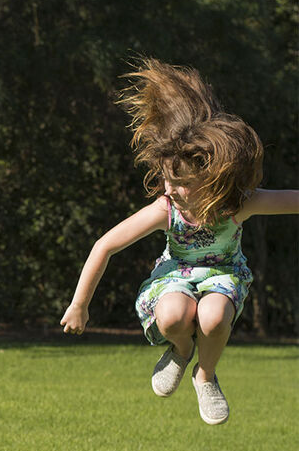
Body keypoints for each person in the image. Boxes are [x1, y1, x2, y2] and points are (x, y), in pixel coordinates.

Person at [60, 58, 298, 425]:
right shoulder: (165, 209)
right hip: (176, 275)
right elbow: (104, 246)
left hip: (223, 273)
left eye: (181, 181)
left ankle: (205, 376)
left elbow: (293, 200)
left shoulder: (239, 204)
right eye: (167, 178)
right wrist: (79, 305)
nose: (171, 188)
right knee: (172, 317)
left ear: (211, 176)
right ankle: (182, 350)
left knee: (214, 315)